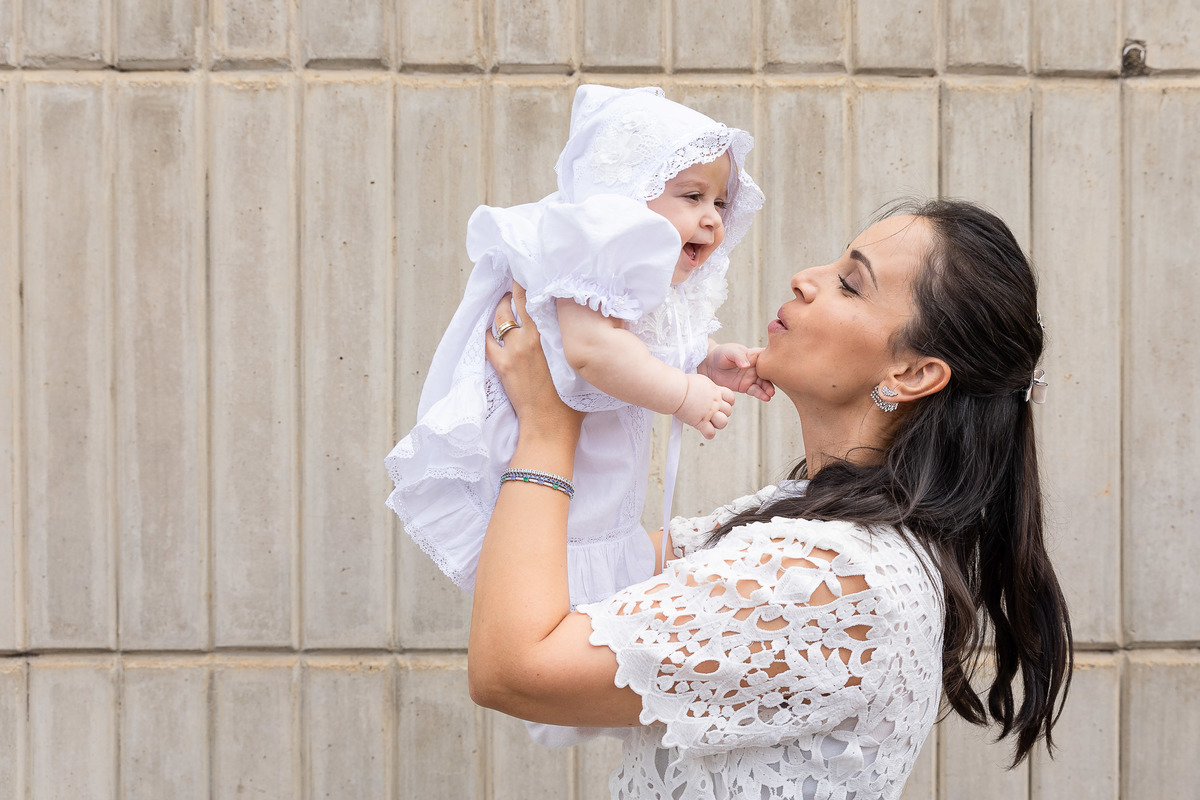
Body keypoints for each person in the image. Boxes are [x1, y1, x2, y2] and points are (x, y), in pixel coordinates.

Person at [468, 199, 1073, 799]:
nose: (805, 280)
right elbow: (578, 577)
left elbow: (514, 670)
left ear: (911, 375)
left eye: (850, 284)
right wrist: (613, 360)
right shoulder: (806, 523)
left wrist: (549, 426)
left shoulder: (832, 574)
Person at [386, 84, 767, 746]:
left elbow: (636, 342)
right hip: (539, 440)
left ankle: (568, 658)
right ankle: (553, 651)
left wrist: (707, 357)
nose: (711, 218)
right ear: (628, 196)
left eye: (720, 203)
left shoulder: (622, 280)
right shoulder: (589, 249)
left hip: (583, 453)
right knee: (563, 561)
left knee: (586, 556)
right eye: (691, 196)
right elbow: (592, 351)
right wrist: (683, 394)